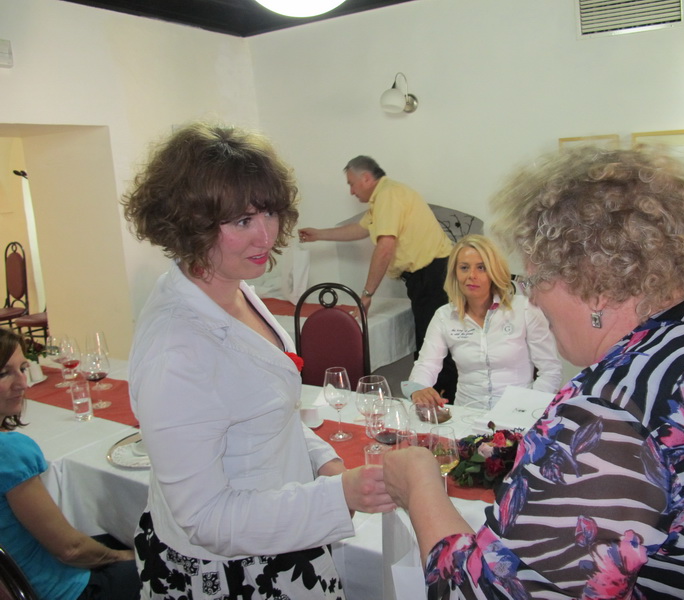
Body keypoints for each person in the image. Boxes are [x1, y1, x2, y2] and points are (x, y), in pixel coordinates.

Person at [383, 146, 684, 598]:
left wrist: (420, 485)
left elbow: (487, 591)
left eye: (535, 278)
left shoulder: (611, 411)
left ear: (596, 286)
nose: (533, 297)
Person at [122, 123, 394, 599]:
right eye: (241, 221)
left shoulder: (233, 286)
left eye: (269, 212)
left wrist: (326, 464)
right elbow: (206, 518)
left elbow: (268, 413)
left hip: (281, 529)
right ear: (189, 224)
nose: (266, 235)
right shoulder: (176, 351)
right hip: (233, 573)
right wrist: (341, 496)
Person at [298, 156, 458, 400]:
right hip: (427, 276)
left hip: (434, 275)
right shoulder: (384, 197)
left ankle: (442, 404)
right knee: (431, 343)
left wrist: (367, 295)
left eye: (351, 183)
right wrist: (319, 234)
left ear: (366, 178)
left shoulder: (388, 195)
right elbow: (360, 229)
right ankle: (437, 401)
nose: (351, 191)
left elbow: (385, 247)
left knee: (434, 347)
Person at [0, 328, 139, 600]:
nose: (23, 384)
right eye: (4, 373)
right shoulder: (10, 452)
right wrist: (124, 556)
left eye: (23, 369)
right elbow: (70, 549)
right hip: (60, 589)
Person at [405, 234, 562, 409]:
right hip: (467, 414)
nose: (471, 275)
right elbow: (426, 365)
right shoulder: (444, 316)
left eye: (481, 268)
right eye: (464, 268)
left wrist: (528, 408)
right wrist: (418, 389)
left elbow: (550, 371)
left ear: (494, 271)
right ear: (455, 273)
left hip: (517, 412)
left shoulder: (525, 309)